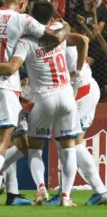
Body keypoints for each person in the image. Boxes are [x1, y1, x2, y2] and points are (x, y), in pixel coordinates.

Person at [0, 0, 70, 207]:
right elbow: (54, 37)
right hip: (5, 86)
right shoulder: (23, 21)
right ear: (22, 4)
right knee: (3, 139)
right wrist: (66, 27)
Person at [45, 29, 107, 205]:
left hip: (81, 90)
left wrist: (78, 70)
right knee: (74, 142)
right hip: (83, 89)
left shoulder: (57, 32)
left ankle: (64, 194)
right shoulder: (46, 35)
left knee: (65, 140)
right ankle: (100, 191)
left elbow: (84, 39)